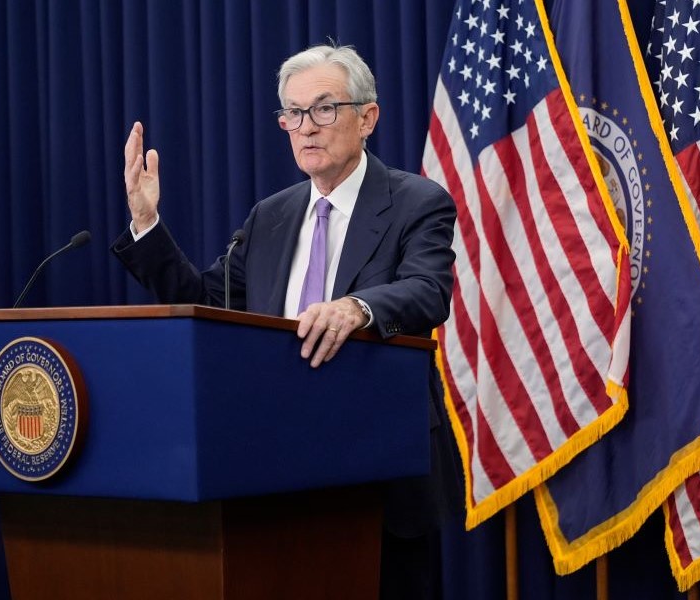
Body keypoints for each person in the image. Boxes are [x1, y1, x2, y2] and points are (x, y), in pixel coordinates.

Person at [112, 44, 459, 599]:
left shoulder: (417, 202)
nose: (306, 127)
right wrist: (147, 222)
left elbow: (428, 290)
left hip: (380, 466)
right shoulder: (270, 216)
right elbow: (207, 303)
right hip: (277, 468)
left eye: (324, 108)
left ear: (367, 117)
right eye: (293, 113)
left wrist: (356, 307)